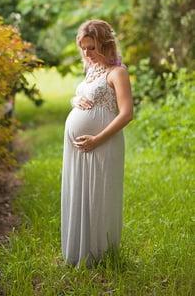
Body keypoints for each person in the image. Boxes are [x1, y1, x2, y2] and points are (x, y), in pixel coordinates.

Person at [61, 19, 134, 268]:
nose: (86, 53)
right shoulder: (91, 70)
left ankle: (100, 256)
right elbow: (84, 96)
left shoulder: (118, 72)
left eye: (91, 47)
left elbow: (126, 113)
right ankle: (78, 251)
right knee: (80, 192)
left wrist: (96, 139)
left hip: (104, 145)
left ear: (105, 44)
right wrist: (74, 100)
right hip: (82, 148)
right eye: (83, 47)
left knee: (98, 195)